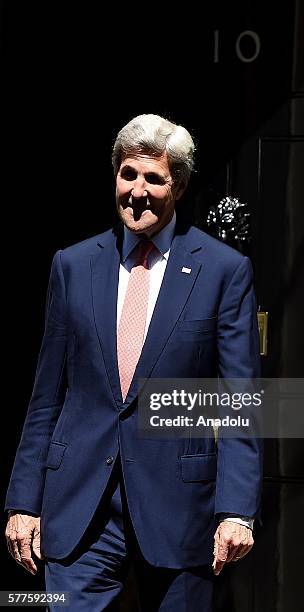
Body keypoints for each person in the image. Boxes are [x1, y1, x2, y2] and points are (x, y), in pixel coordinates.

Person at [4, 114, 263, 611]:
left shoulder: (224, 271)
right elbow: (46, 396)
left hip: (180, 510)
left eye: (154, 179)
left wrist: (237, 511)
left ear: (180, 185)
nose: (137, 192)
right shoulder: (72, 266)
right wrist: (23, 500)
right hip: (79, 505)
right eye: (128, 174)